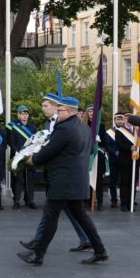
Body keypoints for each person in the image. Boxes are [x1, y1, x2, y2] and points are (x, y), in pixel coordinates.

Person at [17, 96, 108, 266]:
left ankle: (38, 254)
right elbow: (89, 151)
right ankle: (100, 251)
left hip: (63, 181)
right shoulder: (84, 128)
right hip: (78, 179)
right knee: (81, 216)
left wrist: (33, 159)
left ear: (69, 111)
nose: (57, 113)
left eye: (59, 110)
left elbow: (50, 150)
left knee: (51, 215)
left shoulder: (64, 128)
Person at [7, 106, 38, 208]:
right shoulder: (15, 127)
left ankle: (30, 200)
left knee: (30, 179)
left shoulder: (33, 127)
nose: (25, 116)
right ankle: (16, 201)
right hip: (18, 156)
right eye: (22, 114)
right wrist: (17, 152)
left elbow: (36, 142)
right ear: (19, 115)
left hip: (29, 156)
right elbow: (12, 142)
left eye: (26, 114)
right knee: (18, 179)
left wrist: (32, 153)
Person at [113, 111, 139, 211]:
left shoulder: (137, 132)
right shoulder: (119, 131)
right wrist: (129, 148)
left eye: (130, 119)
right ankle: (124, 203)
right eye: (126, 118)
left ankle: (131, 203)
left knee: (133, 182)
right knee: (124, 182)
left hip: (135, 160)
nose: (128, 120)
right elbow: (119, 144)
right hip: (125, 160)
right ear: (124, 120)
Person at [98, 114, 122, 210]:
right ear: (114, 120)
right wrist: (115, 152)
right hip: (113, 158)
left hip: (124, 159)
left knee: (124, 181)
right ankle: (114, 200)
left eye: (121, 119)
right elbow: (107, 145)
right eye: (118, 119)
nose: (120, 121)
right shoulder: (109, 132)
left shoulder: (127, 132)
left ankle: (125, 200)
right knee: (113, 181)